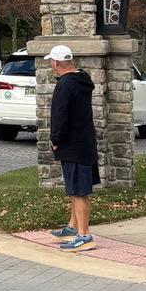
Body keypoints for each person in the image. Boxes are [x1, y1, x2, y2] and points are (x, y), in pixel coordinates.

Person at [45, 44, 97, 251]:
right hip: (85, 141)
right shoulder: (81, 80)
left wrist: (55, 139)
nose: (51, 65)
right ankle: (72, 227)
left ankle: (84, 236)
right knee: (75, 188)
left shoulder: (65, 85)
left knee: (79, 191)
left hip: (72, 145)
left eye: (52, 61)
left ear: (56, 63)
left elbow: (60, 115)